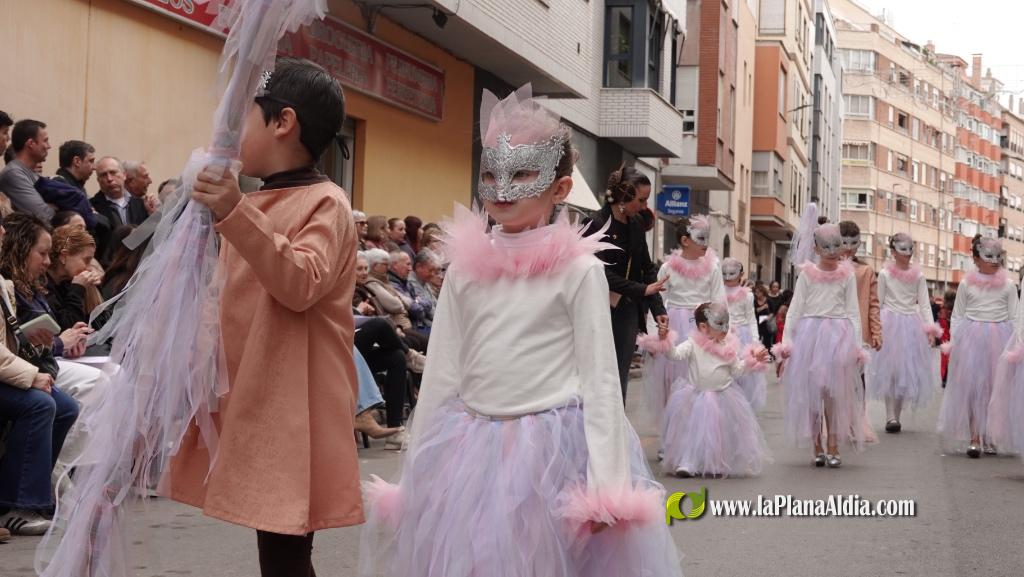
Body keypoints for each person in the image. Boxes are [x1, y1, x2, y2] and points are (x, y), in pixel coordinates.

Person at [360, 84, 682, 577]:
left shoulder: (578, 271)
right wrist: (416, 477)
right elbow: (444, 370)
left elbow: (599, 382)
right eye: (490, 174)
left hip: (552, 455)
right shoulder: (465, 268)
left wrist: (607, 486)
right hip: (471, 450)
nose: (503, 188)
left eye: (522, 173)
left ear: (560, 189)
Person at [167, 57, 362, 577]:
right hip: (256, 388)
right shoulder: (258, 199)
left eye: (243, 118)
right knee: (275, 541)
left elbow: (300, 283)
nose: (230, 136)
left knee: (285, 544)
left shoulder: (327, 202)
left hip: (296, 396)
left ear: (282, 122)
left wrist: (235, 212)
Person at [0, 214, 104, 492]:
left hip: (35, 363)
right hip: (30, 365)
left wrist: (86, 292)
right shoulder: (14, 284)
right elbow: (18, 342)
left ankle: (71, 476)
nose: (45, 262)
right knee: (61, 397)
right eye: (42, 253)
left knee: (99, 383)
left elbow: (65, 325)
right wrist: (58, 344)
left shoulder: (27, 284)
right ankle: (54, 482)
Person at [0, 211, 79, 538]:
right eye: (42, 253)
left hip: (10, 368)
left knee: (65, 406)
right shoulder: (11, 283)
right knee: (40, 404)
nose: (1, 232)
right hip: (9, 372)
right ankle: (18, 503)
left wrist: (36, 346)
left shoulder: (7, 284)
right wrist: (32, 374)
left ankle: (32, 493)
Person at [773, 222, 867, 468]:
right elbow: (795, 309)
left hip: (838, 337)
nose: (833, 250)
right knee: (813, 394)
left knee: (833, 395)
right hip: (810, 339)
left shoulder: (847, 275)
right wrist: (786, 343)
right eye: (827, 246)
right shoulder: (807, 275)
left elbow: (853, 312)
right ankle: (817, 444)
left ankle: (833, 443)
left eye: (837, 245)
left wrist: (856, 345)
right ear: (815, 248)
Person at [657, 302, 771, 477]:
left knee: (718, 434)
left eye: (727, 323)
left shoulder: (729, 347)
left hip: (722, 397)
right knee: (691, 431)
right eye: (719, 324)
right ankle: (688, 462)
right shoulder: (692, 344)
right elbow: (675, 354)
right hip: (696, 396)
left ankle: (717, 462)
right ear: (703, 327)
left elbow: (736, 371)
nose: (725, 329)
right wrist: (665, 340)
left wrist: (751, 360)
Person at [584, 165, 668, 398]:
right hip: (596, 308)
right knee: (595, 373)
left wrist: (657, 307)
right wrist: (641, 289)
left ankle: (616, 427)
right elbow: (599, 274)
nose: (644, 206)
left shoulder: (636, 224)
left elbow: (646, 267)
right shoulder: (595, 224)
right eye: (641, 200)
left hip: (627, 312)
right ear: (624, 196)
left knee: (619, 375)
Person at [637, 216, 724, 432]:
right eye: (700, 238)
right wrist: (653, 338)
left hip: (700, 328)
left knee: (697, 381)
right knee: (669, 385)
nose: (705, 243)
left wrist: (719, 331)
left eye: (707, 238)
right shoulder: (668, 267)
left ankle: (691, 435)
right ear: (685, 240)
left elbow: (719, 301)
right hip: (673, 326)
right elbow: (656, 303)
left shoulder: (713, 267)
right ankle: (670, 435)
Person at [937, 236, 1016, 458]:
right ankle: (974, 436)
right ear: (976, 259)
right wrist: (957, 343)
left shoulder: (1009, 286)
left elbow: (1015, 317)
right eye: (987, 256)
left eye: (997, 256)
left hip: (1000, 339)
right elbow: (958, 315)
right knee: (973, 388)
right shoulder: (966, 284)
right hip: (972, 339)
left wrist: (1017, 344)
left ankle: (990, 436)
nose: (993, 261)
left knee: (994, 388)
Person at [866, 233, 941, 432]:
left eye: (910, 249)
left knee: (904, 373)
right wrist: (875, 329)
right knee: (889, 371)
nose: (907, 254)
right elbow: (878, 302)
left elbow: (924, 304)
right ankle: (890, 415)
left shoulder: (919, 276)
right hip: (889, 324)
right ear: (893, 252)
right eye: (902, 249)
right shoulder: (884, 274)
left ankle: (896, 416)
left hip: (911, 326)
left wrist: (930, 329)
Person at [839, 220, 881, 443]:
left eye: (852, 243)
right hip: (833, 331)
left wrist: (876, 332)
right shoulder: (828, 267)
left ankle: (857, 422)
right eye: (843, 241)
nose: (847, 247)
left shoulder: (866, 271)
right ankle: (835, 423)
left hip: (859, 332)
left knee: (859, 380)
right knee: (834, 379)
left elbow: (873, 304)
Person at [360, 248, 428, 353]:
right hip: (398, 324)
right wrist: (403, 300)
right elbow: (395, 305)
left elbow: (421, 305)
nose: (388, 267)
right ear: (374, 265)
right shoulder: (372, 283)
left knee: (423, 340)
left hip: (400, 324)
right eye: (385, 264)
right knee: (419, 342)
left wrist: (407, 301)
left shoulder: (384, 280)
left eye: (365, 268)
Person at [722, 257, 767, 411]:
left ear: (741, 274)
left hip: (742, 336)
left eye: (732, 273)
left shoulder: (748, 295)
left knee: (743, 373)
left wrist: (754, 341)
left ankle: (740, 407)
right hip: (723, 334)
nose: (728, 278)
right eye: (725, 273)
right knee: (725, 370)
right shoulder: (718, 291)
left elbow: (751, 319)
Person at [45, 225, 103, 330]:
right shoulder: (43, 286)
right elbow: (68, 327)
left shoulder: (68, 282)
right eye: (86, 260)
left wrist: (92, 288)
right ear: (64, 256)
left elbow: (97, 323)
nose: (89, 268)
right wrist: (77, 289)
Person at [0, 119, 53, 221]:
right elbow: (43, 215)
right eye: (45, 141)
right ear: (31, 143)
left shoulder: (33, 174)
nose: (49, 146)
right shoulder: (13, 173)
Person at [408, 249, 438, 331]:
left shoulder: (424, 281)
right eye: (430, 270)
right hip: (423, 327)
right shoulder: (412, 283)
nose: (432, 274)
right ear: (418, 267)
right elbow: (428, 314)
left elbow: (436, 305)